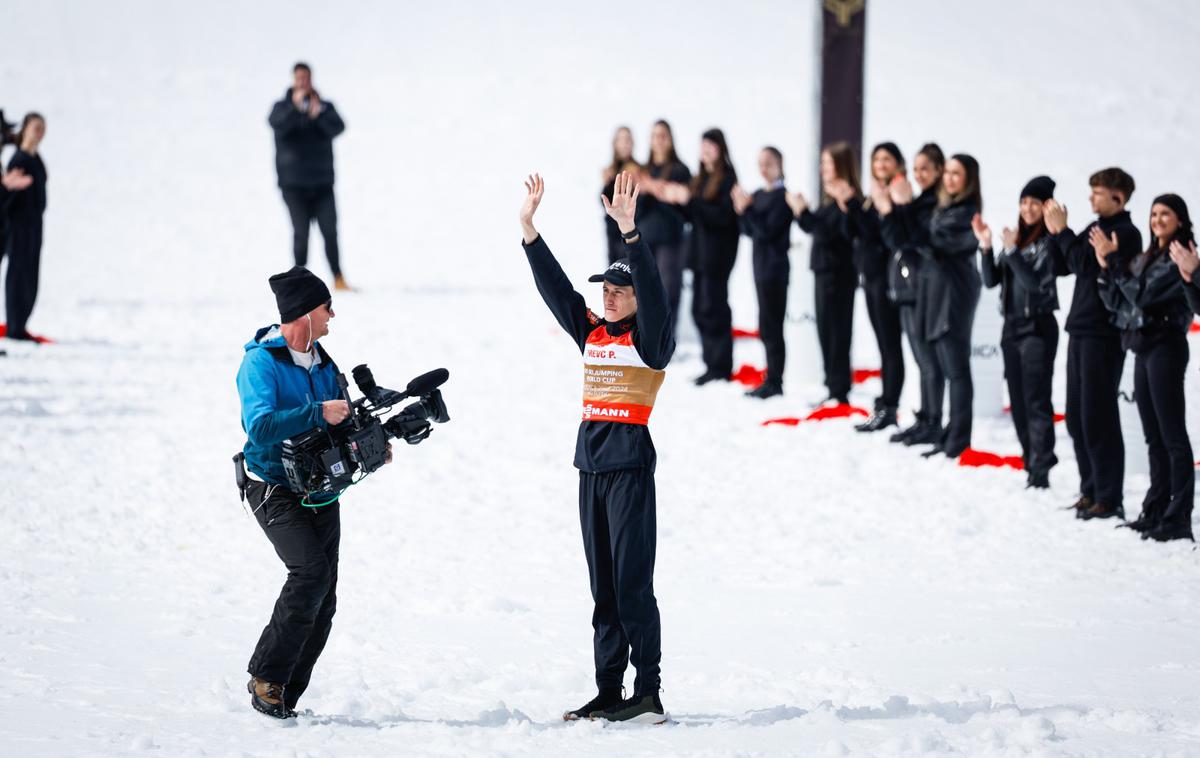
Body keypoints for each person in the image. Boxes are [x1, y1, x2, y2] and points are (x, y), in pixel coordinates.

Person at [520, 171, 672, 724]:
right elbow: (559, 292)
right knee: (603, 590)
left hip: (630, 471)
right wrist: (530, 232)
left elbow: (655, 295)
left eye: (616, 291)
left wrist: (631, 235)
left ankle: (648, 692)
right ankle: (609, 689)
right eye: (603, 290)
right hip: (591, 471)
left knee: (633, 586)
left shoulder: (649, 341)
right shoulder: (592, 333)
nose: (606, 298)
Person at [236, 267, 388, 718]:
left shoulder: (323, 362)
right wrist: (319, 411)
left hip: (320, 489)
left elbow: (342, 424)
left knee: (326, 594)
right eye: (326, 308)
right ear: (304, 313)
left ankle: (286, 694)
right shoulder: (260, 363)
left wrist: (372, 445)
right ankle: (266, 677)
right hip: (272, 487)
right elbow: (259, 426)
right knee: (309, 575)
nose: (332, 316)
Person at [1044, 168, 1141, 520]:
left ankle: (1109, 496)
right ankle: (1089, 489)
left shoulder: (1127, 233)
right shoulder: (1096, 228)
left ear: (1118, 197)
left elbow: (1085, 265)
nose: (1091, 198)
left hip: (1104, 333)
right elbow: (1064, 264)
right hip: (1081, 328)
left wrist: (1063, 232)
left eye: (1097, 192)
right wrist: (1056, 234)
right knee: (1076, 416)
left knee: (1099, 416)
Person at [1099, 195, 1194, 541]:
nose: (1157, 219)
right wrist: (1107, 268)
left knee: (1172, 436)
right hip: (1142, 347)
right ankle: (1155, 508)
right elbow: (1119, 299)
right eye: (1153, 213)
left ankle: (1179, 516)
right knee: (1153, 436)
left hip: (1166, 347)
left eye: (1164, 214)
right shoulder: (1147, 256)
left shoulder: (1179, 257)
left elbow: (1141, 295)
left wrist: (1114, 264)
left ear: (1180, 220)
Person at [974, 176, 1061, 488]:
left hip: (1037, 327)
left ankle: (1041, 466)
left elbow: (1036, 284)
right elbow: (991, 280)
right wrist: (986, 246)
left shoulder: (1049, 243)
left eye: (1034, 203)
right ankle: (1031, 458)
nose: (1027, 209)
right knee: (1019, 401)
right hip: (1011, 328)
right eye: (1023, 203)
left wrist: (1011, 252)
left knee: (1037, 399)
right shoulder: (1018, 241)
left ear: (1046, 206)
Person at [906, 154, 983, 459]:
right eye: (948, 172)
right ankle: (949, 432)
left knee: (956, 369)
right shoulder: (945, 208)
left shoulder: (966, 212)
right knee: (943, 365)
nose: (949, 178)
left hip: (955, 294)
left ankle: (958, 437)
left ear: (969, 179)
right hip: (937, 292)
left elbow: (932, 243)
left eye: (956, 174)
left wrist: (901, 208)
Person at [878, 143, 945, 445]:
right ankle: (927, 417)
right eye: (916, 169)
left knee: (928, 359)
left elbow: (915, 241)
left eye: (925, 169)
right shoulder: (919, 201)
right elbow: (895, 239)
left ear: (938, 171)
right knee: (921, 359)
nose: (918, 174)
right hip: (908, 288)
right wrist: (891, 209)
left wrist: (900, 208)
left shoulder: (933, 204)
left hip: (923, 289)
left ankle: (933, 420)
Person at [788, 142, 859, 406]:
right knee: (825, 331)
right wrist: (801, 211)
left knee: (838, 331)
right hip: (823, 271)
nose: (823, 169)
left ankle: (839, 389)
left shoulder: (849, 198)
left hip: (838, 273)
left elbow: (836, 232)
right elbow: (815, 227)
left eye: (827, 164)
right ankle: (832, 385)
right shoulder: (830, 198)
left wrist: (805, 212)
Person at [269, 62, 350, 290]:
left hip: (322, 183)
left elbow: (339, 127)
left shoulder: (323, 106)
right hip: (293, 185)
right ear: (294, 80)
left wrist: (318, 117)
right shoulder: (281, 108)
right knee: (301, 233)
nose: (303, 82)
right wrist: (296, 110)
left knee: (330, 231)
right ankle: (299, 282)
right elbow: (278, 126)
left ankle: (339, 277)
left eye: (306, 78)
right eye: (299, 78)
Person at [844, 143, 907, 431]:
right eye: (876, 158)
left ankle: (890, 406)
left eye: (886, 159)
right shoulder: (874, 193)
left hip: (887, 280)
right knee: (883, 345)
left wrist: (857, 207)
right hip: (869, 279)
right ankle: (885, 402)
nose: (880, 164)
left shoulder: (896, 193)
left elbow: (883, 236)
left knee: (890, 345)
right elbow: (857, 233)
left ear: (897, 163)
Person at [732, 147, 792, 398]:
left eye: (769, 163)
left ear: (779, 164)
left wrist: (748, 210)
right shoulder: (758, 195)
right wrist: (742, 210)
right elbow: (749, 230)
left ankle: (776, 380)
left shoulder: (783, 197)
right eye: (761, 163)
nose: (764, 168)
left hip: (775, 270)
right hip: (760, 268)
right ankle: (770, 376)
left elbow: (767, 230)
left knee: (773, 325)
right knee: (765, 325)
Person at [683, 129, 740, 386]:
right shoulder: (700, 179)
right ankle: (711, 363)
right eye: (703, 145)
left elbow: (723, 218)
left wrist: (691, 202)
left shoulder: (727, 179)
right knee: (699, 309)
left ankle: (721, 365)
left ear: (721, 149)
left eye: (711, 146)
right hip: (699, 254)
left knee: (714, 307)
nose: (706, 151)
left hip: (717, 255)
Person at [636, 120, 693, 333]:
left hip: (671, 240)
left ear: (670, 139)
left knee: (669, 291)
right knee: (642, 292)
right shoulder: (643, 171)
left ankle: (666, 338)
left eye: (663, 135)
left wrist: (661, 192)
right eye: (655, 136)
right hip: (644, 241)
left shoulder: (681, 170)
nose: (659, 140)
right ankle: (644, 339)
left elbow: (687, 212)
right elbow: (636, 210)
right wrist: (650, 189)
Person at [4, 113, 47, 342]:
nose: (39, 133)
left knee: (30, 274)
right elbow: (7, 197)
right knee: (18, 274)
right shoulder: (19, 159)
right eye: (36, 127)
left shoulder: (36, 159)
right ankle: (14, 326)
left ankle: (20, 324)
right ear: (26, 129)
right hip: (18, 225)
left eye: (43, 128)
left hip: (34, 224)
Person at [601, 126, 642, 264]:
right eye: (621, 140)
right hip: (612, 231)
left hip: (629, 231)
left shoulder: (637, 170)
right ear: (615, 143)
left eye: (627, 140)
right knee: (612, 271)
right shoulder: (609, 171)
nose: (624, 144)